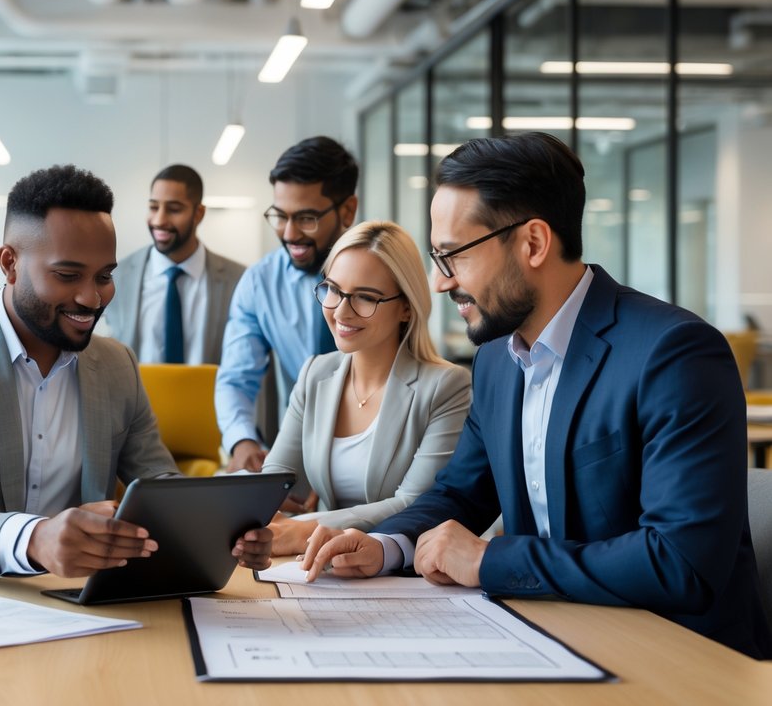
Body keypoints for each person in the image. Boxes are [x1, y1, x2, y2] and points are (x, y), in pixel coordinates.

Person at [302, 132, 771, 659]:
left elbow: (679, 561)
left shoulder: (674, 353)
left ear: (532, 243)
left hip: (678, 658)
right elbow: (460, 493)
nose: (438, 282)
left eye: (453, 255)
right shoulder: (498, 360)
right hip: (548, 639)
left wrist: (488, 561)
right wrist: (387, 547)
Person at [0, 164, 272, 579]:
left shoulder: (117, 365)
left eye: (105, 276)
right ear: (10, 263)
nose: (92, 297)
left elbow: (160, 485)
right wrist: (33, 538)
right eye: (68, 276)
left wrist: (225, 526)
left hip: (84, 604)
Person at [262, 221, 471, 556]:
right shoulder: (316, 373)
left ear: (406, 307)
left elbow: (413, 504)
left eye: (365, 297)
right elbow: (272, 480)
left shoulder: (446, 386)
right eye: (332, 289)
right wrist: (250, 516)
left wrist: (305, 530)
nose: (341, 310)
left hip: (399, 571)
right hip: (318, 566)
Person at [217, 136, 360, 472]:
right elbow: (236, 378)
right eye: (280, 216)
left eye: (307, 218)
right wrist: (242, 440)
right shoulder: (260, 282)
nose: (289, 234)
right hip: (299, 457)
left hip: (382, 457)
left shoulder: (387, 276)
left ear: (348, 210)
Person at [101, 164, 244, 364]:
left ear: (199, 214)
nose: (159, 220)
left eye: (174, 209)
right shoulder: (118, 275)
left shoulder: (238, 280)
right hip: (135, 395)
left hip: (206, 395)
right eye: (153, 207)